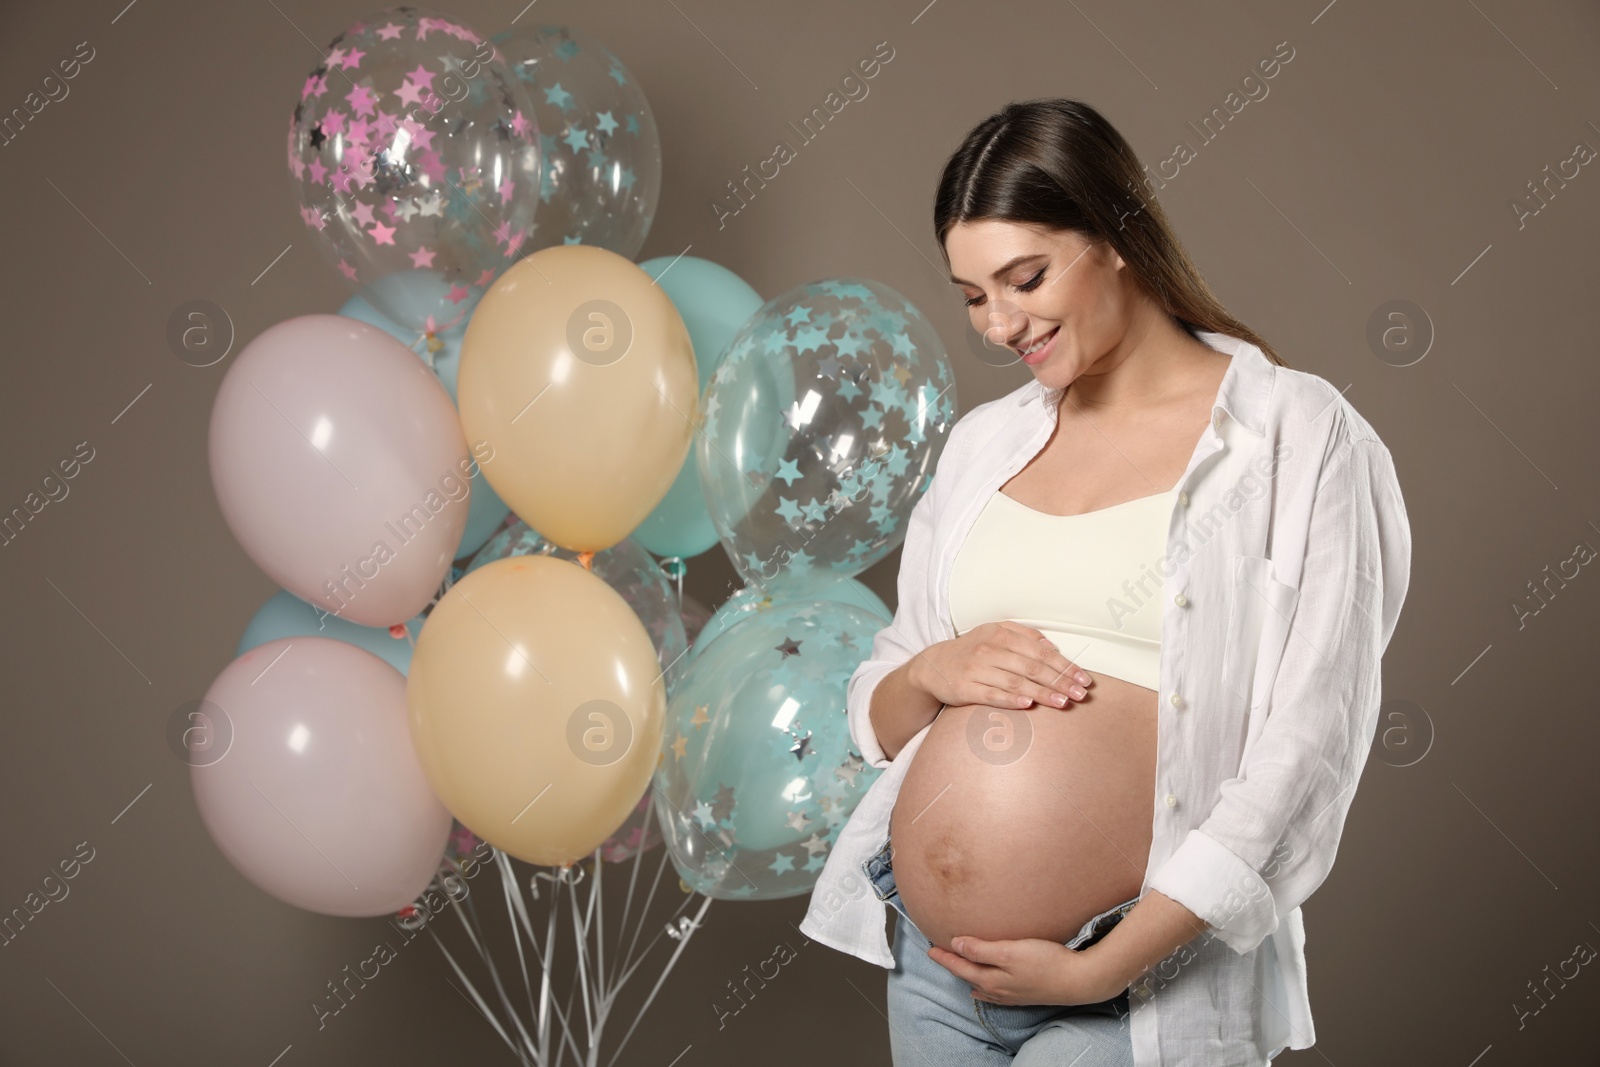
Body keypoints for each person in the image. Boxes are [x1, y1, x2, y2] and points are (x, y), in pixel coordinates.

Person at [799, 98, 1413, 1067]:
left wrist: (1104, 965)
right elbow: (877, 714)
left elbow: (1308, 745)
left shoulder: (1297, 434)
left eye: (1025, 278)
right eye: (971, 295)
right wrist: (934, 670)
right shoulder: (979, 446)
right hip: (935, 971)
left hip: (1139, 988)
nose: (999, 324)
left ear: (1117, 235)